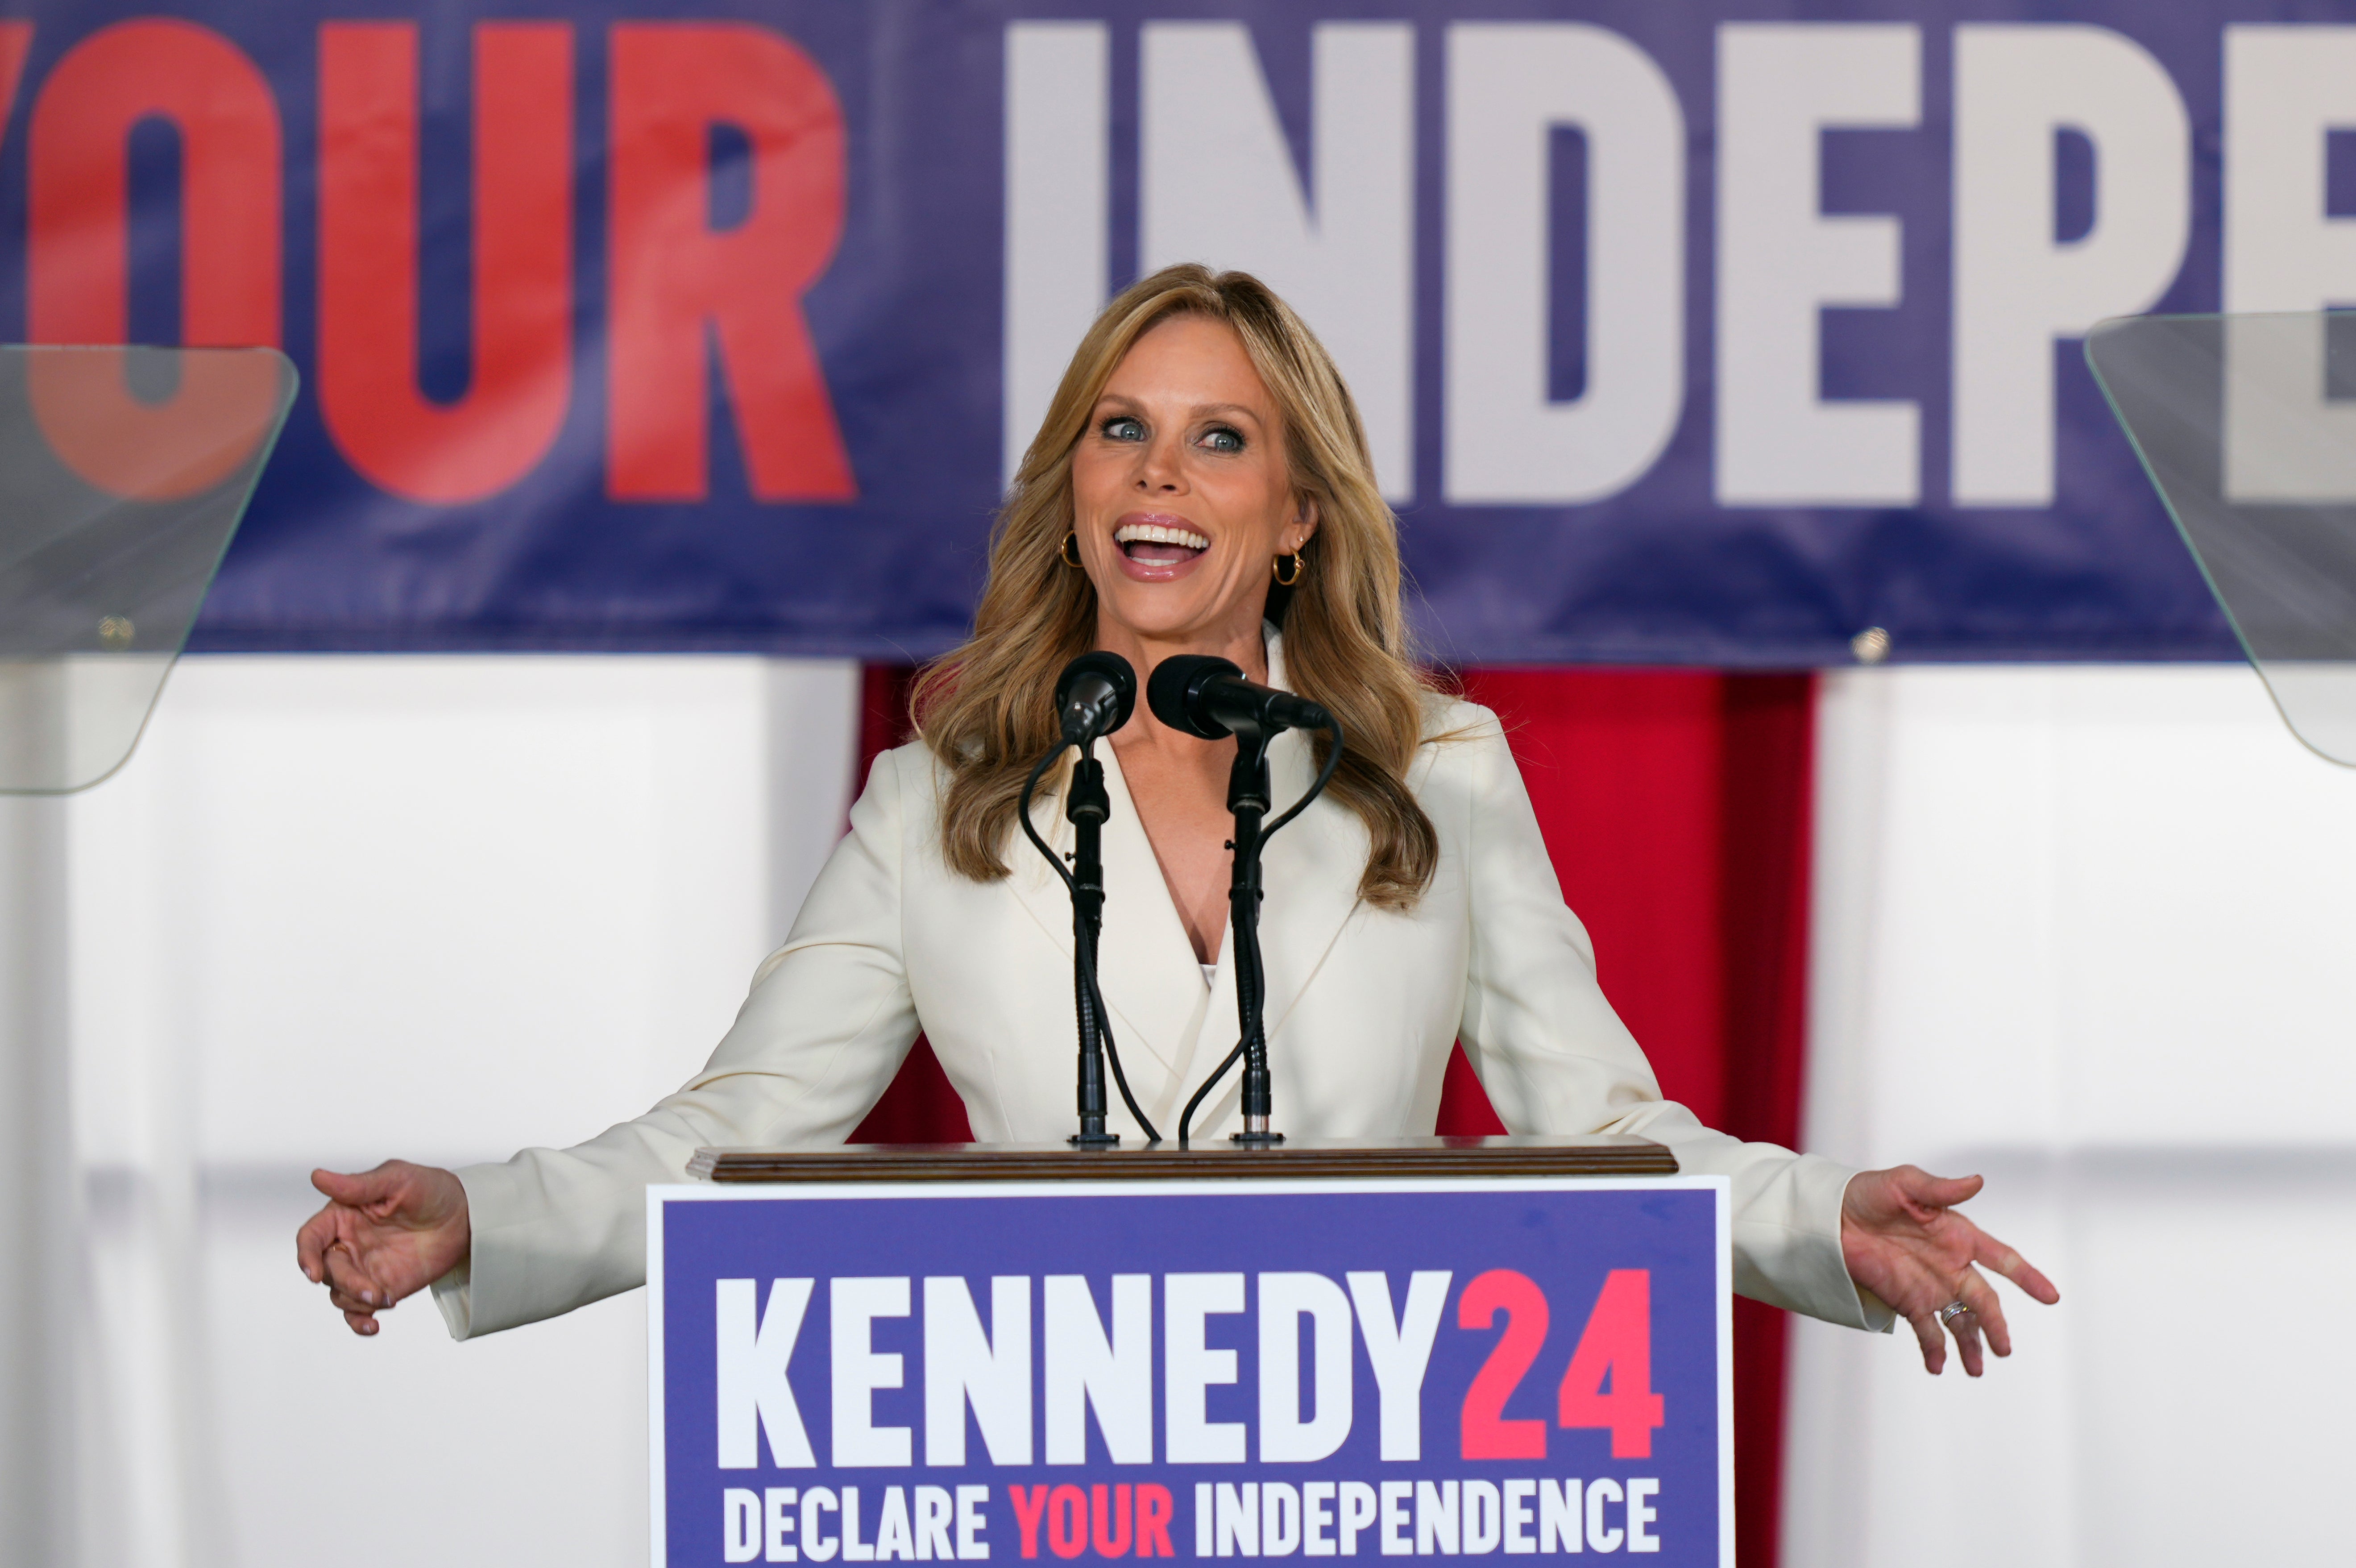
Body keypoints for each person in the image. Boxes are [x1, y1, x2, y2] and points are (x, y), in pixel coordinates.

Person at [298, 265, 2056, 1375]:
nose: (1158, 471)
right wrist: (485, 1209)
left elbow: (1597, 1132)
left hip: (1368, 1481)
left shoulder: (1433, 773)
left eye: (1219, 438)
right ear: (1069, 489)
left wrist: (1824, 1219)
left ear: (1291, 512)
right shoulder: (936, 805)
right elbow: (728, 1134)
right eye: (1119, 431)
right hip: (1043, 1497)